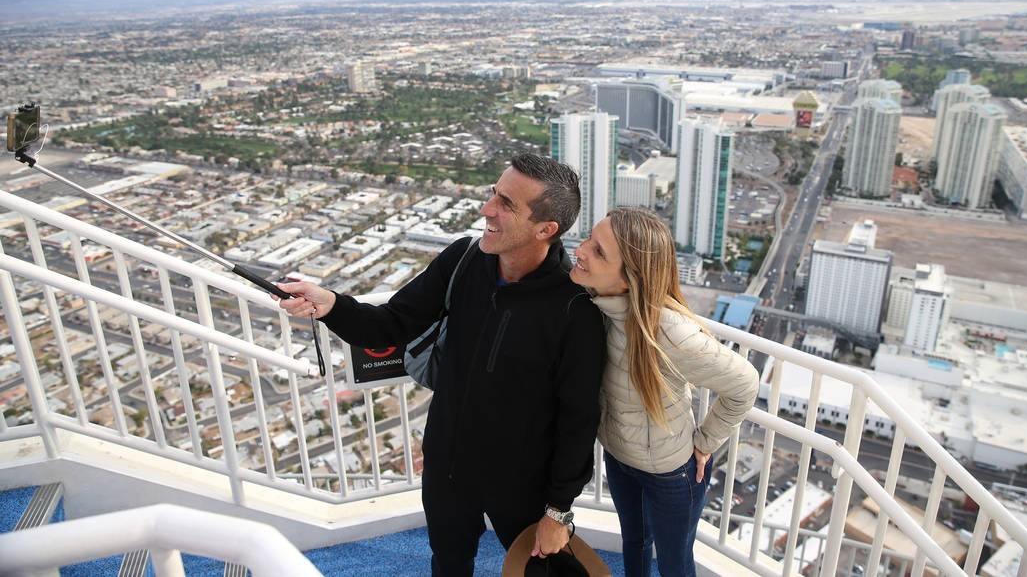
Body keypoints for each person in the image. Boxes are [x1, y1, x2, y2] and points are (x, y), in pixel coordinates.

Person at [276, 153, 606, 576]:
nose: (487, 209)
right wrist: (331, 305)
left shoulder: (574, 308)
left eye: (507, 203)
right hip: (449, 466)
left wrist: (559, 510)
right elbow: (392, 324)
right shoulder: (464, 260)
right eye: (493, 194)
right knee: (448, 565)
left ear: (546, 229)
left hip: (524, 483)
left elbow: (578, 419)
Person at [569, 207, 760, 577]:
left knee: (674, 563)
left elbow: (745, 383)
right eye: (590, 239)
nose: (581, 250)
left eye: (598, 251)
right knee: (635, 542)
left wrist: (705, 442)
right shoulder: (595, 307)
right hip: (621, 459)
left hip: (670, 474)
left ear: (630, 278)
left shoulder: (669, 332)